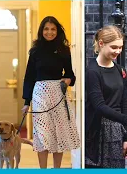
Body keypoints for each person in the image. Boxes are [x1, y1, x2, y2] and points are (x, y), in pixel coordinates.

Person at [21, 16, 80, 169]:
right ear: (42, 31)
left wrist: (67, 81)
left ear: (57, 31)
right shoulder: (35, 51)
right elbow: (29, 77)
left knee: (58, 133)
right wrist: (26, 102)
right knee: (42, 134)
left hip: (58, 93)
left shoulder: (64, 50)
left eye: (53, 29)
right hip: (40, 93)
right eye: (46, 29)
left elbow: (70, 75)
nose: (49, 32)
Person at [85, 25, 127, 168]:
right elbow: (99, 106)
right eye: (114, 47)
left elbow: (124, 103)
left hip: (117, 131)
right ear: (101, 44)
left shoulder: (120, 70)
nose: (118, 51)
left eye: (120, 47)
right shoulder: (92, 71)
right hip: (98, 133)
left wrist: (126, 138)